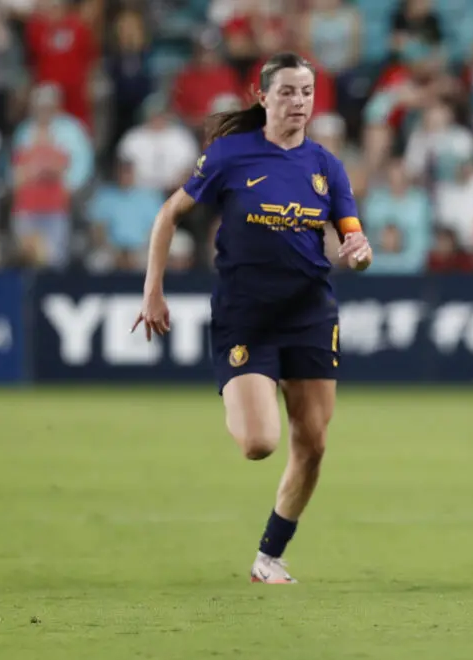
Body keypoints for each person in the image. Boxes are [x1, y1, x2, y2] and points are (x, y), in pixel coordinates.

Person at [132, 53, 373, 584]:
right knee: (259, 443)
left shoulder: (326, 167)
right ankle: (243, 385)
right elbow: (169, 214)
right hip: (246, 316)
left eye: (307, 92)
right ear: (262, 96)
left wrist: (358, 251)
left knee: (312, 444)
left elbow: (354, 238)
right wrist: (153, 289)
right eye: (287, 91)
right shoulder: (230, 155)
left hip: (310, 312)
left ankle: (269, 557)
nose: (299, 102)